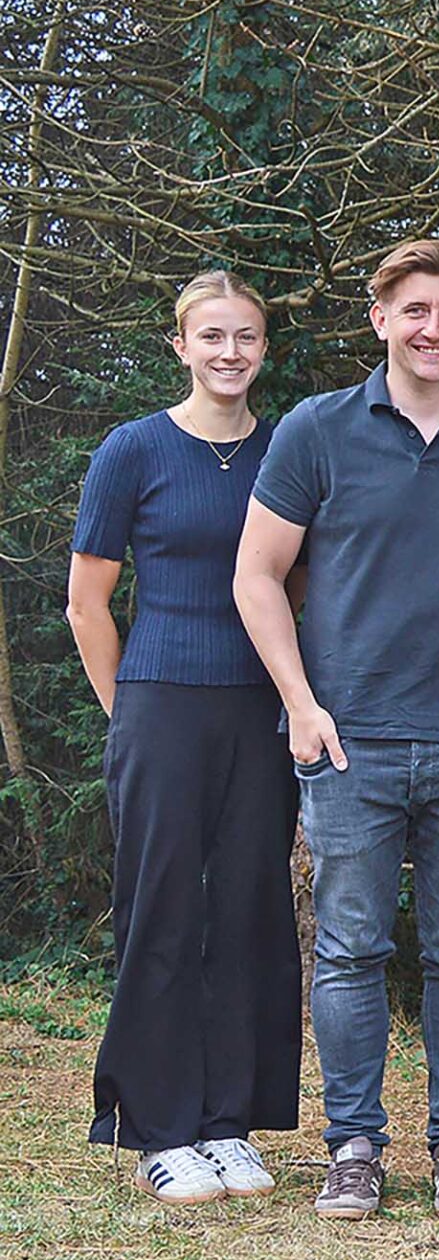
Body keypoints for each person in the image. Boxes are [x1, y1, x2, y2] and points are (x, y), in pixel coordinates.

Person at [233, 238, 439, 1221]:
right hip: (348, 741)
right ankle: (354, 1147)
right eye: (414, 310)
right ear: (379, 318)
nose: (433, 328)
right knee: (348, 951)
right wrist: (300, 705)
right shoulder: (317, 429)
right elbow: (257, 575)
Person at [66, 272, 301, 1204]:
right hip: (159, 703)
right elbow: (87, 602)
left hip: (260, 709)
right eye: (212, 336)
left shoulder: (287, 450)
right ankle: (158, 1127)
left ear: (264, 348)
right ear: (181, 345)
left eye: (245, 336)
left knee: (248, 907)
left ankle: (228, 1122)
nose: (229, 352)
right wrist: (127, 711)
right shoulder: (134, 448)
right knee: (161, 909)